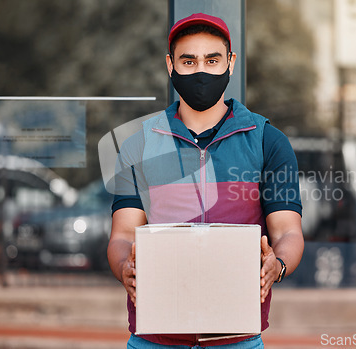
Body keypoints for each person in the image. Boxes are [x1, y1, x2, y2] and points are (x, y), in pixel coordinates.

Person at [107, 13, 304, 348]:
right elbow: (122, 235)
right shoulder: (138, 145)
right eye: (189, 61)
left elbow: (288, 231)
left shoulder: (267, 141)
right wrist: (124, 266)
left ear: (231, 63)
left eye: (212, 60)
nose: (201, 71)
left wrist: (279, 265)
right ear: (171, 66)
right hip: (154, 338)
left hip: (238, 337)